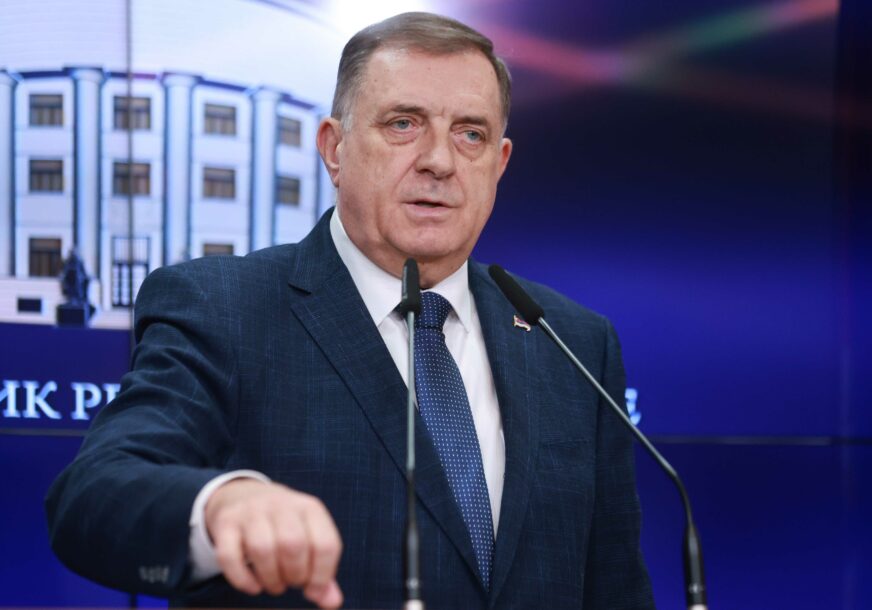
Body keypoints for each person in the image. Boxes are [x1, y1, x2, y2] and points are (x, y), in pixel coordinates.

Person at [46, 12, 653, 609]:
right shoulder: (224, 309)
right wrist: (221, 505)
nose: (440, 161)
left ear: (499, 164)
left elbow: (615, 586)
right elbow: (94, 494)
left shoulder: (573, 342)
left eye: (471, 134)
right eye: (403, 124)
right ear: (334, 149)